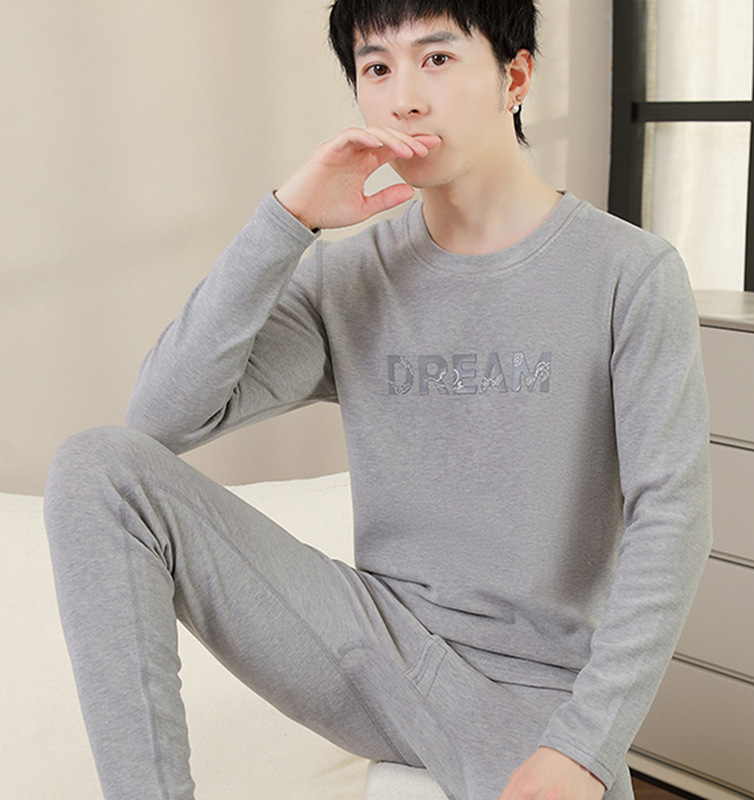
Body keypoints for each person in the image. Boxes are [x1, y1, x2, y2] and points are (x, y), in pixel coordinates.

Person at [43, 1, 713, 798]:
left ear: (516, 77)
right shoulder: (348, 277)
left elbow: (671, 519)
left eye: (437, 59)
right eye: (377, 68)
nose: (405, 99)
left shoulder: (630, 274)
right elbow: (158, 419)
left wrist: (584, 747)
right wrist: (287, 219)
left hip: (531, 693)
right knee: (97, 467)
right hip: (369, 653)